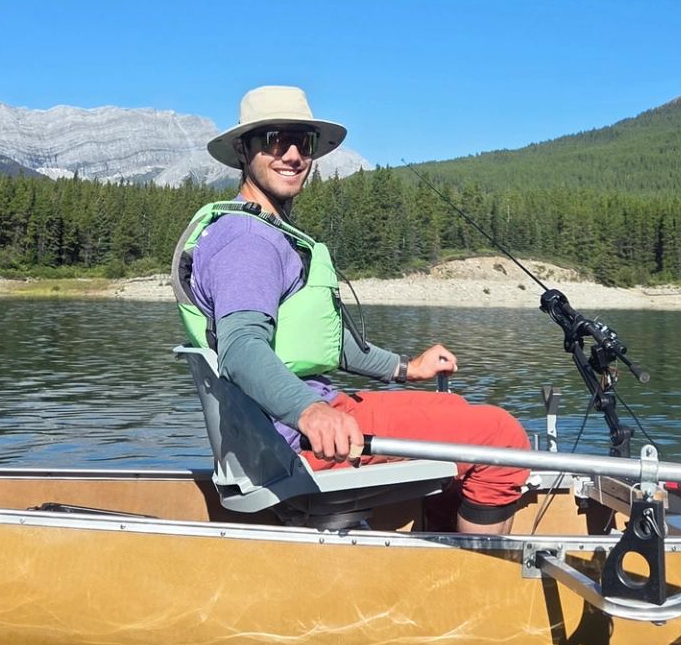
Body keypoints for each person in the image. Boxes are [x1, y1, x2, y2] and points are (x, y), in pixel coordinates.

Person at [173, 85, 531, 534]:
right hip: (294, 437)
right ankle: (478, 583)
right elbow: (241, 347)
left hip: (292, 422)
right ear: (244, 151)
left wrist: (405, 368)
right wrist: (309, 411)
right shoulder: (248, 242)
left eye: (301, 143)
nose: (290, 155)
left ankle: (439, 553)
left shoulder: (260, 232)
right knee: (500, 436)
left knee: (459, 412)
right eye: (272, 141)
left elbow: (328, 341)